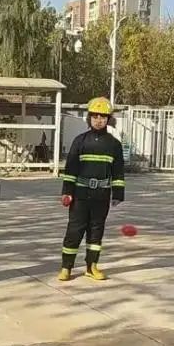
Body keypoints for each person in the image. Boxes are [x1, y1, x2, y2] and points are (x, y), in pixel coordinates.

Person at [58, 97, 126, 281]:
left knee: (96, 231)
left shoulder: (114, 144)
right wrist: (67, 192)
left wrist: (118, 193)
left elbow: (118, 171)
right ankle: (67, 268)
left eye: (103, 116)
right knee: (74, 230)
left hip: (102, 196)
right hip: (80, 195)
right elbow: (71, 169)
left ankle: (92, 266)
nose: (99, 119)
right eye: (95, 116)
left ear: (108, 119)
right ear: (89, 118)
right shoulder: (80, 141)